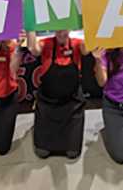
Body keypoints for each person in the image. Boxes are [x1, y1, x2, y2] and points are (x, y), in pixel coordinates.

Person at [26, 30, 90, 159]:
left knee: (72, 153)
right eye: (58, 30)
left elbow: (86, 50)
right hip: (48, 104)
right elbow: (34, 49)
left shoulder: (77, 44)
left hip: (72, 104)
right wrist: (30, 26)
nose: (61, 34)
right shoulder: (46, 43)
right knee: (42, 153)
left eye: (64, 30)